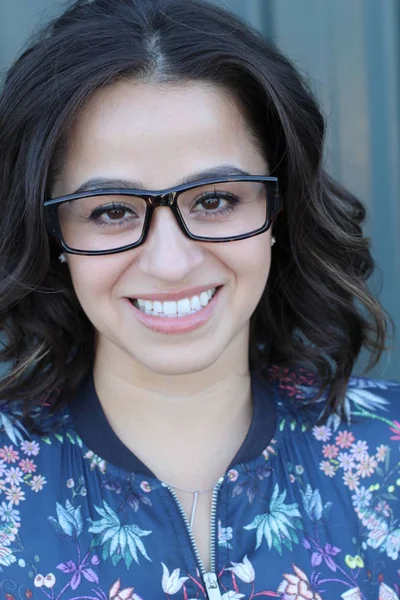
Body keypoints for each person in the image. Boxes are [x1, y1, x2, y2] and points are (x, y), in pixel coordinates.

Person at [0, 0, 398, 598]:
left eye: (215, 200)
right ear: (53, 234)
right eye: (110, 211)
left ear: (278, 210)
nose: (170, 263)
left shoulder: (390, 447)